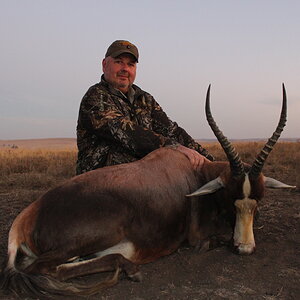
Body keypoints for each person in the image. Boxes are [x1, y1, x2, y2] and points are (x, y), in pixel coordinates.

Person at [76, 40, 214, 175]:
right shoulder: (95, 97)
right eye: (119, 62)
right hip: (99, 184)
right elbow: (126, 132)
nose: (125, 69)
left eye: (130, 64)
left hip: (141, 179)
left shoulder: (145, 99)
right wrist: (175, 147)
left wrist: (210, 162)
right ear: (104, 64)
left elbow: (172, 131)